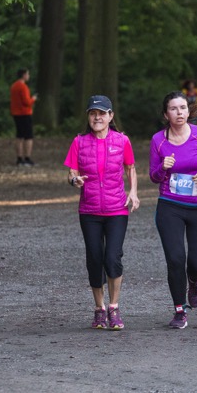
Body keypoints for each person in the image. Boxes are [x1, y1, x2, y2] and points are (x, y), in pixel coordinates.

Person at [64, 95, 140, 331]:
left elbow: (131, 168)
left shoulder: (122, 140)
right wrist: (75, 180)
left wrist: (133, 192)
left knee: (113, 258)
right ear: (88, 116)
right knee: (95, 259)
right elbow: (71, 172)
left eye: (102, 113)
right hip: (89, 210)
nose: (97, 117)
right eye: (93, 113)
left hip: (117, 209)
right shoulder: (79, 141)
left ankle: (114, 307)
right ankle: (99, 308)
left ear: (110, 116)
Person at [149, 92, 197, 329]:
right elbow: (153, 176)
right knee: (175, 259)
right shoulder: (158, 140)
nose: (179, 112)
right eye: (173, 108)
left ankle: (194, 279)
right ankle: (179, 311)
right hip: (170, 206)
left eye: (182, 107)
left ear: (188, 111)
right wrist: (163, 167)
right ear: (166, 114)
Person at [10, 68, 38, 166]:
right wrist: (33, 99)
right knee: (28, 137)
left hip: (16, 114)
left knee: (19, 136)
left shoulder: (14, 86)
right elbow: (27, 102)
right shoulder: (23, 87)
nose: (28, 76)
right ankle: (27, 158)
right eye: (28, 74)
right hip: (25, 113)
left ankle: (19, 158)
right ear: (24, 75)